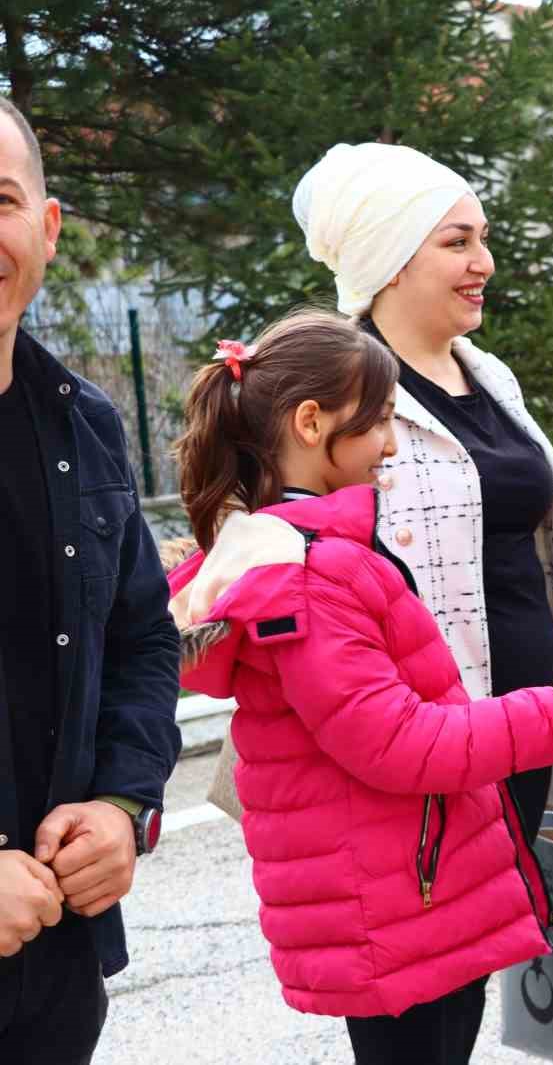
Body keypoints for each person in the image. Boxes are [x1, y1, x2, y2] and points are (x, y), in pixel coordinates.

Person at [166, 310, 553, 1065]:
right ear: (313, 422)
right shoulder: (317, 573)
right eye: (380, 421)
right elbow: (397, 740)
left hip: (399, 888)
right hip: (396, 898)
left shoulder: (297, 553)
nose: (391, 446)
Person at [0, 96, 181, 1065]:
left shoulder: (85, 427)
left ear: (47, 226)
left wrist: (122, 802)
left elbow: (145, 640)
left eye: (0, 198)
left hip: (56, 964)